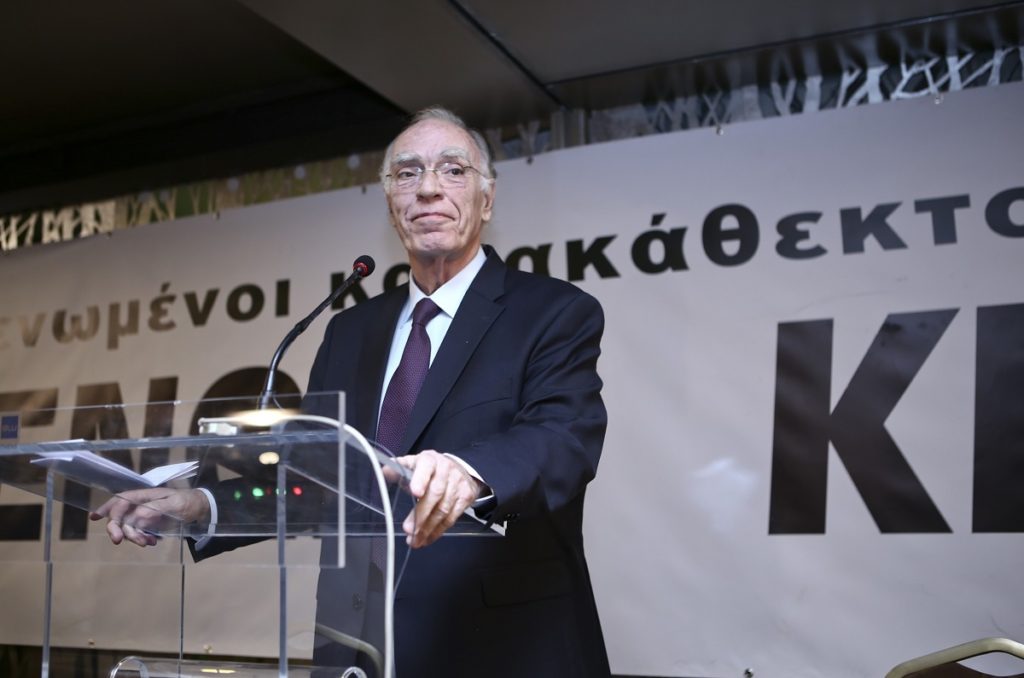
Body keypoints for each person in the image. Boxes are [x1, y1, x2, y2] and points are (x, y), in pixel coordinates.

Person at [93, 107, 610, 677]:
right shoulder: (349, 331)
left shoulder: (552, 312)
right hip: (355, 649)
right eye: (407, 173)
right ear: (391, 204)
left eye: (453, 170)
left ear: (487, 199)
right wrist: (202, 507)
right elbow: (315, 485)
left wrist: (468, 473)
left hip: (499, 649)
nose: (428, 188)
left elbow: (562, 440)